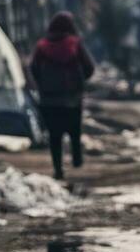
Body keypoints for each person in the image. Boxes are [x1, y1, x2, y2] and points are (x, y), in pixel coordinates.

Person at [29, 11, 96, 180]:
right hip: (72, 98)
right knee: (74, 129)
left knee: (54, 135)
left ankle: (58, 168)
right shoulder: (74, 44)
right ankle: (76, 158)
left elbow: (33, 68)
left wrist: (43, 84)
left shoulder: (41, 46)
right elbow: (89, 67)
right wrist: (80, 82)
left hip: (49, 99)